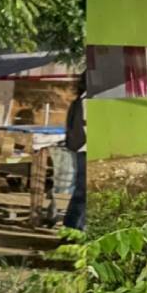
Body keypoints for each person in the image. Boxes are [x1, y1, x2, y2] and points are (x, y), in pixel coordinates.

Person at [63, 78, 86, 232]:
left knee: (85, 192)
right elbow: (75, 127)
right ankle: (71, 229)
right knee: (82, 192)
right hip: (85, 149)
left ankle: (77, 228)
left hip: (87, 148)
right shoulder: (81, 102)